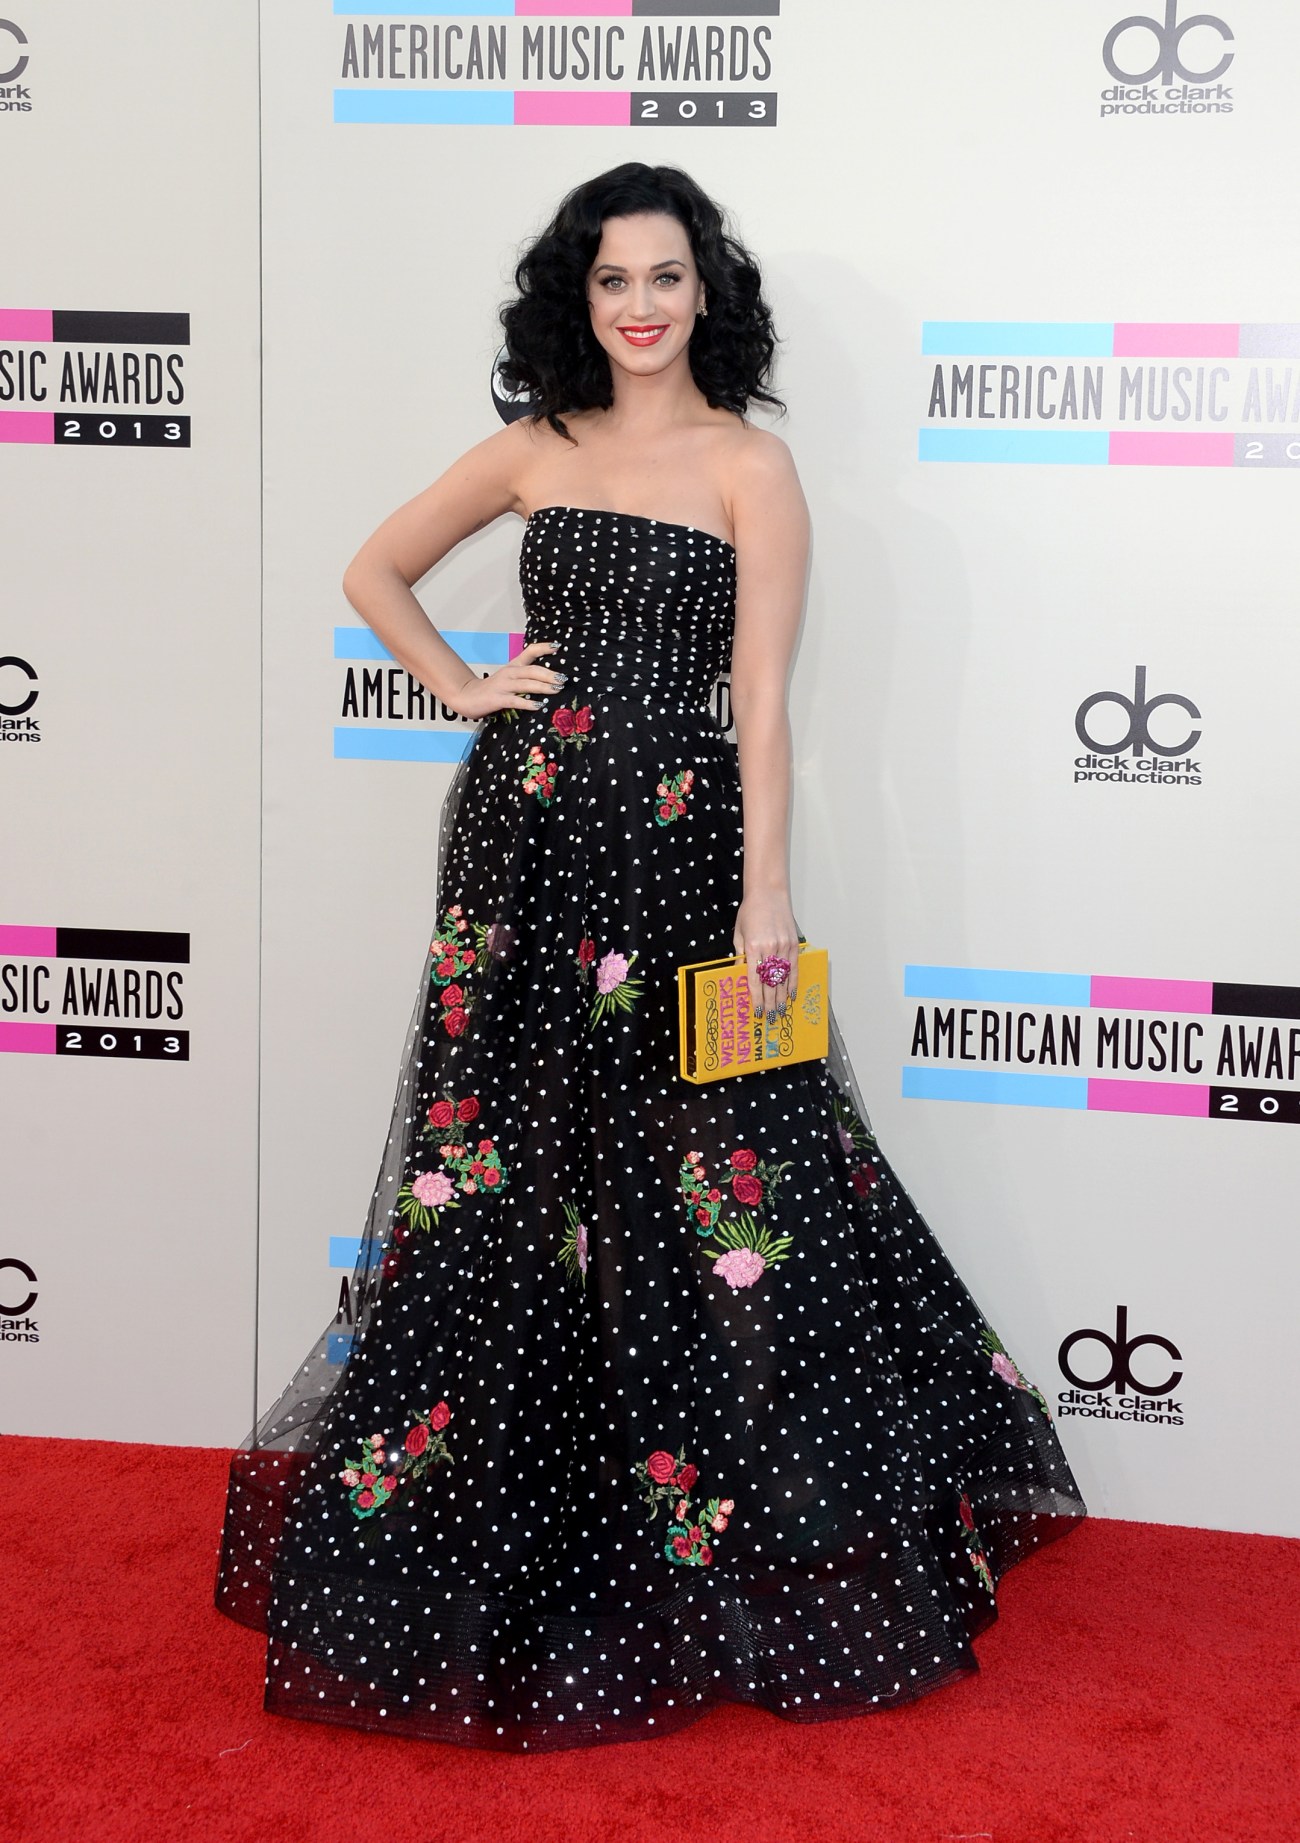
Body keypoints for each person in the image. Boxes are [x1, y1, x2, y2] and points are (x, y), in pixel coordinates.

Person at [214, 161, 1085, 1753]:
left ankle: (731, 1520)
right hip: (522, 849)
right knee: (494, 1170)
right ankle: (498, 1530)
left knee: (718, 1178)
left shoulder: (753, 468)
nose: (638, 307)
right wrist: (466, 684)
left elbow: (763, 708)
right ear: (578, 294)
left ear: (707, 293)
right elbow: (371, 569)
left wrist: (769, 900)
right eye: (612, 280)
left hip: (681, 860)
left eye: (665, 278)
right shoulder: (534, 448)